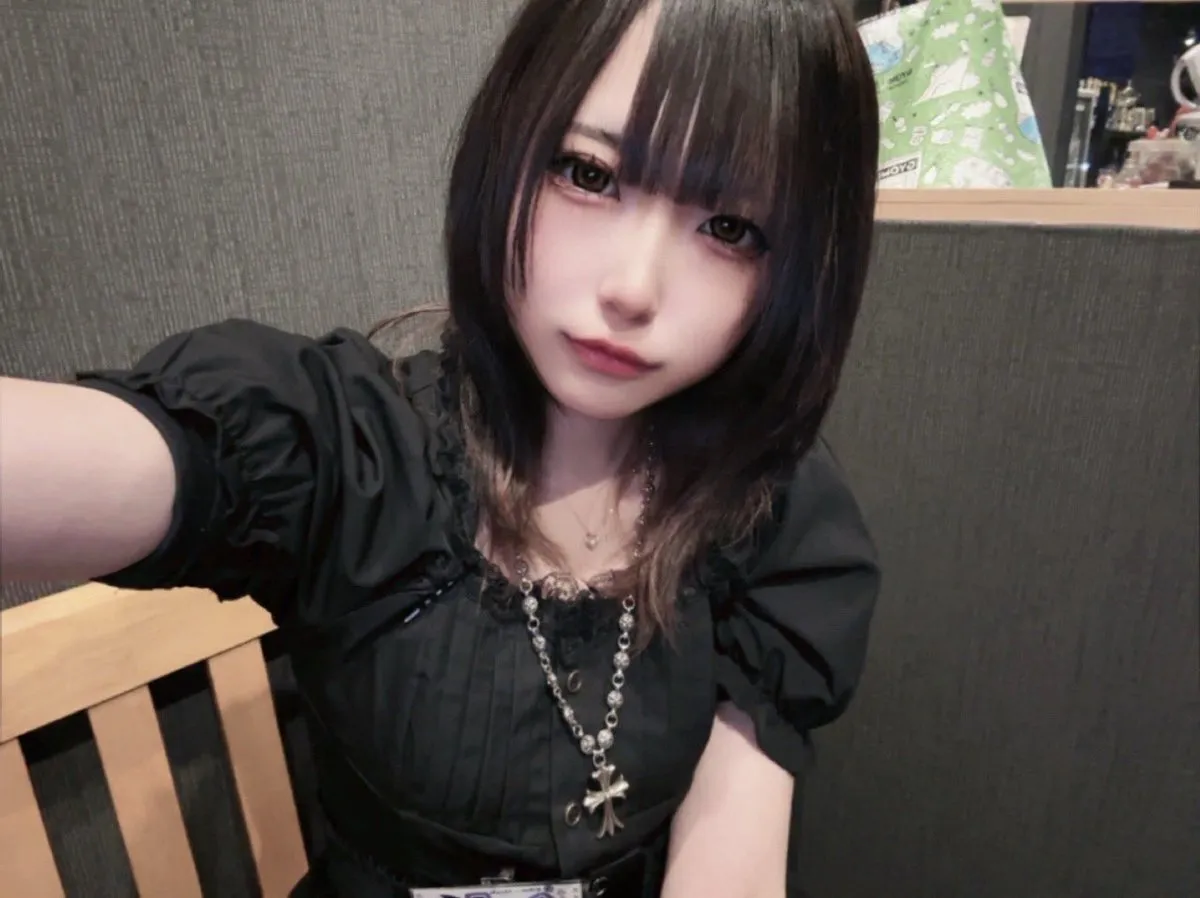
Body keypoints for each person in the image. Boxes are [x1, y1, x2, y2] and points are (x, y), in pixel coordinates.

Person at [0, 0, 881, 896]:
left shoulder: (767, 507)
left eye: (730, 229)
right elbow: (120, 458)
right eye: (589, 173)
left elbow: (731, 856)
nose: (633, 288)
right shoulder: (352, 452)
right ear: (511, 142)